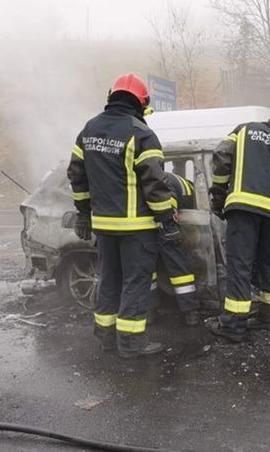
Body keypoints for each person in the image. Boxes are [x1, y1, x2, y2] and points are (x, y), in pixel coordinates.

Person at [67, 73, 181, 358]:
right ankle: (131, 343)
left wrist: (84, 214)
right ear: (142, 104)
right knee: (136, 282)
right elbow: (155, 185)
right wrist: (167, 222)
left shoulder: (89, 130)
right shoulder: (142, 134)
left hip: (104, 227)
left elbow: (76, 176)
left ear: (111, 96)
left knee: (109, 280)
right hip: (137, 227)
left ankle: (106, 338)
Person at [205, 111, 270, 342]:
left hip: (242, 211)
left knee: (240, 266)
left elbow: (221, 155)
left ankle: (233, 326)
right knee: (269, 266)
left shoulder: (246, 129)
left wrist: (219, 196)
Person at [150, 172, 200, 326]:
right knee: (180, 269)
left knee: (148, 270)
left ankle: (150, 311)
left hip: (158, 225)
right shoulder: (183, 184)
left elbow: (168, 201)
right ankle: (191, 313)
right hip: (166, 226)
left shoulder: (162, 180)